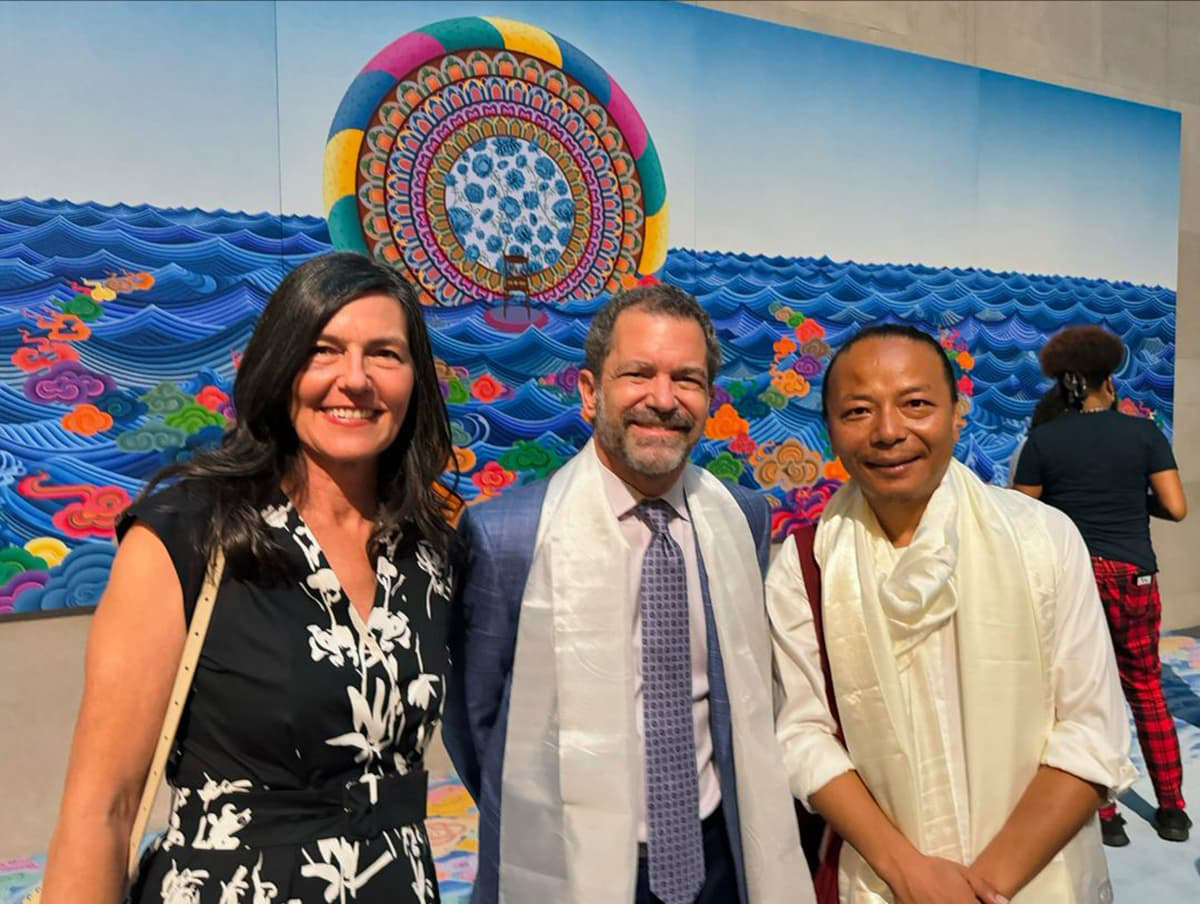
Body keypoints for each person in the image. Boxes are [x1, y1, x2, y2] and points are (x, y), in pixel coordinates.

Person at [41, 252, 461, 902]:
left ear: (414, 379)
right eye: (324, 350)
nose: (356, 380)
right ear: (281, 364)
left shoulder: (427, 554)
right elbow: (103, 809)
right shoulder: (188, 535)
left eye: (385, 354)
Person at [442, 285, 810, 904]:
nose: (662, 400)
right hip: (570, 861)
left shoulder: (741, 517)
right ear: (591, 392)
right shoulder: (507, 534)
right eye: (638, 373)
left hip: (716, 855)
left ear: (708, 399)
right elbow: (478, 723)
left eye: (686, 380)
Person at [767, 323, 1135, 903]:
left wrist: (980, 888)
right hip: (886, 884)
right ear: (831, 432)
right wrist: (911, 872)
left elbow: (1092, 731)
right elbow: (803, 735)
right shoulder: (807, 563)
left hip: (1040, 880)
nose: (889, 432)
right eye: (858, 411)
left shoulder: (1042, 538)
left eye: (915, 404)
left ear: (957, 413)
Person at [1014, 324, 1190, 846]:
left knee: (1085, 695)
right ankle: (1173, 810)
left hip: (1075, 578)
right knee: (1147, 691)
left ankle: (1106, 815)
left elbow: (1021, 514)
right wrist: (1137, 502)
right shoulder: (1142, 434)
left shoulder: (1044, 440)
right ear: (1108, 382)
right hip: (1134, 576)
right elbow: (1177, 508)